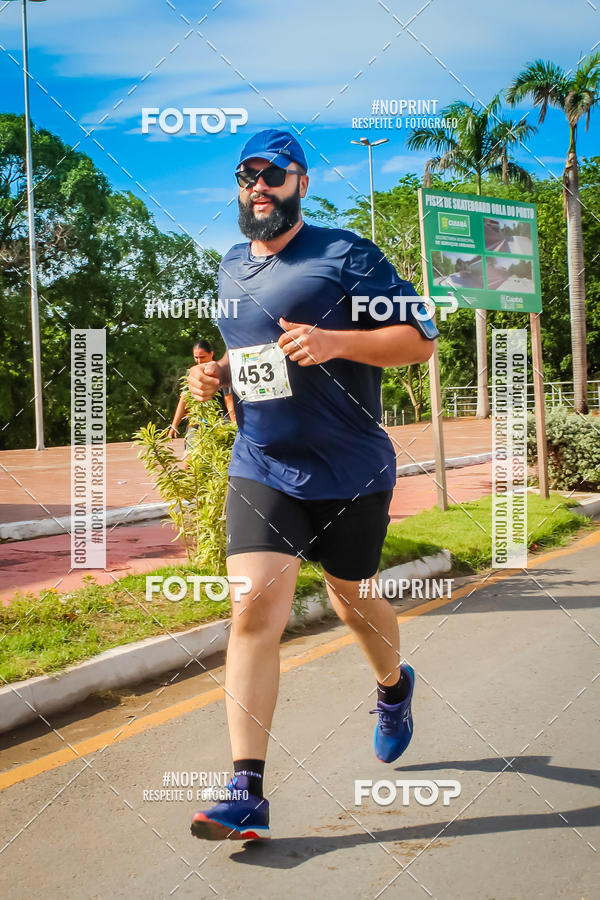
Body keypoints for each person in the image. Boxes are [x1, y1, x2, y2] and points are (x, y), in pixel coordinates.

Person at [187, 129, 438, 841]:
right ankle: (246, 791)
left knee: (350, 599)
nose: (258, 187)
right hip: (262, 463)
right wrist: (216, 377)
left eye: (273, 174)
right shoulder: (231, 265)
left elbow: (421, 340)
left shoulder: (347, 254)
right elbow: (252, 358)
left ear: (301, 181)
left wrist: (336, 342)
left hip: (349, 469)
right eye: (247, 176)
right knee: (251, 612)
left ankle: (393, 686)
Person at [168, 339, 235, 449]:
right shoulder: (191, 374)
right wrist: (174, 425)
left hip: (219, 419)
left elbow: (229, 400)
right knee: (190, 451)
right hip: (198, 420)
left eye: (202, 357)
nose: (199, 361)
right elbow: (183, 400)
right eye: (196, 357)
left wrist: (234, 425)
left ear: (211, 354)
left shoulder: (221, 371)